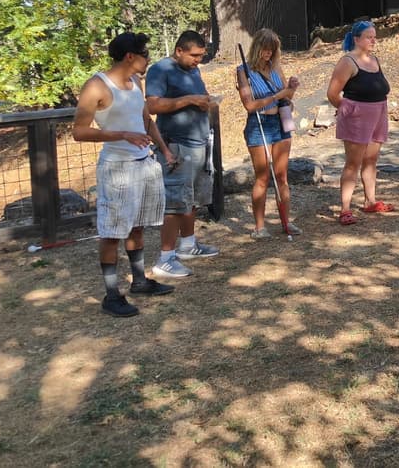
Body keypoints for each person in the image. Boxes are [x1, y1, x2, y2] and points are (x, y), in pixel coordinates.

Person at [72, 32, 177, 317]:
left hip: (143, 164)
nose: (148, 60)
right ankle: (111, 295)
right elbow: (78, 131)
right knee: (111, 232)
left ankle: (139, 281)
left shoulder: (136, 82)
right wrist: (122, 135)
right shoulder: (97, 86)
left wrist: (164, 149)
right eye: (146, 55)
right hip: (116, 168)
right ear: (130, 56)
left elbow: (145, 119)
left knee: (138, 225)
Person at [144, 31, 220, 278]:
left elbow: (198, 99)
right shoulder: (160, 70)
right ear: (179, 51)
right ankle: (165, 259)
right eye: (195, 55)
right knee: (175, 203)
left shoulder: (194, 70)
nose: (199, 60)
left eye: (201, 55)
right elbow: (153, 105)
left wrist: (206, 103)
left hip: (199, 143)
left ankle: (188, 244)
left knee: (192, 199)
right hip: (176, 145)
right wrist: (189, 100)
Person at [326, 20, 393, 226]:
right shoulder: (347, 62)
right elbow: (332, 93)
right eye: (369, 37)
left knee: (371, 160)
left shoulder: (375, 60)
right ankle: (345, 209)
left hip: (378, 115)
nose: (374, 40)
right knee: (353, 164)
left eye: (374, 36)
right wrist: (348, 109)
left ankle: (370, 201)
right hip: (357, 119)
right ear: (357, 39)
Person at [236, 29, 301, 239]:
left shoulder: (276, 68)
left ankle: (286, 222)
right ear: (257, 48)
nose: (269, 54)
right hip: (259, 122)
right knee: (262, 177)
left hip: (279, 122)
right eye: (265, 49)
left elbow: (286, 97)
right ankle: (259, 227)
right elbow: (249, 105)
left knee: (282, 176)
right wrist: (277, 95)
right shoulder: (244, 70)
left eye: (272, 50)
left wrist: (290, 88)